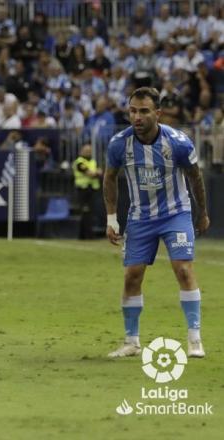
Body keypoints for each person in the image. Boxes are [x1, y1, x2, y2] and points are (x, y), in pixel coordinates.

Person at [103, 87, 209, 359]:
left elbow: (195, 177)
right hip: (140, 217)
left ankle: (194, 338)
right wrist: (112, 219)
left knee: (183, 270)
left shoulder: (179, 143)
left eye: (143, 111)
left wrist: (203, 213)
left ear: (158, 114)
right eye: (133, 111)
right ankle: (131, 342)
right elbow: (109, 178)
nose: (137, 117)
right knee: (132, 277)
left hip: (176, 213)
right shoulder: (119, 144)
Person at [72, 143, 102, 239]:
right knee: (85, 212)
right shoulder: (79, 162)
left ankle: (85, 235)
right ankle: (86, 235)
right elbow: (91, 173)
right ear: (81, 151)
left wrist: (95, 172)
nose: (88, 152)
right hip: (83, 191)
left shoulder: (93, 161)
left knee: (90, 213)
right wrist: (95, 172)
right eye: (86, 151)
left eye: (89, 151)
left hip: (92, 190)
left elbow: (101, 171)